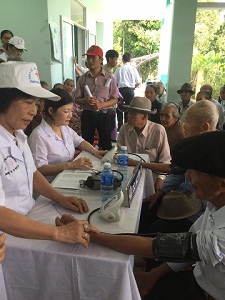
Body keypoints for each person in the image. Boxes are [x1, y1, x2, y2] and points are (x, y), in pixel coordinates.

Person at [82, 130, 225, 300]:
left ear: (222, 185)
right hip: (198, 282)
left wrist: (91, 234)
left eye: (195, 171)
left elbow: (154, 247)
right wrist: (153, 275)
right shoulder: (214, 204)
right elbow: (190, 246)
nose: (187, 176)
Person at [0, 61, 99, 251]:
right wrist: (58, 233)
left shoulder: (18, 135)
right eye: (28, 103)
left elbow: (33, 173)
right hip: (9, 233)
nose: (34, 111)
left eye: (36, 104)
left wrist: (60, 198)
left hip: (29, 213)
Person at [28, 88, 107, 183]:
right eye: (66, 111)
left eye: (71, 111)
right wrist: (71, 165)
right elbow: (40, 169)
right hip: (52, 184)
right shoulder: (39, 136)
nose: (70, 115)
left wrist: (94, 151)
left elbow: (79, 141)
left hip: (67, 178)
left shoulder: (64, 128)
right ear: (51, 111)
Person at [117, 96, 171, 192]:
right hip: (128, 175)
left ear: (145, 117)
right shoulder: (124, 129)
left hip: (150, 177)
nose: (129, 116)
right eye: (129, 112)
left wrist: (160, 179)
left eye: (134, 114)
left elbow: (166, 160)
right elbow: (119, 155)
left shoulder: (158, 131)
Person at [75, 45, 118, 150]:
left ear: (101, 60)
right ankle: (88, 164)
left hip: (104, 115)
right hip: (87, 115)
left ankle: (105, 164)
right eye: (88, 57)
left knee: (106, 145)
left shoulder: (110, 78)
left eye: (93, 58)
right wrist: (85, 100)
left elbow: (115, 98)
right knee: (86, 143)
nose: (90, 60)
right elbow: (77, 99)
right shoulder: (82, 79)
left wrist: (102, 104)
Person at [114, 52, 141, 129]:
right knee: (129, 109)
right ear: (130, 60)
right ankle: (127, 126)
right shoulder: (133, 69)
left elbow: (114, 83)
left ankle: (120, 126)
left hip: (120, 91)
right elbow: (138, 82)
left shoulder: (119, 70)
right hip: (130, 91)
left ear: (122, 60)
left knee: (119, 108)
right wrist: (132, 87)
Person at [103, 49, 119, 142]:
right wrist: (111, 105)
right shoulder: (106, 73)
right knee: (108, 126)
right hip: (108, 105)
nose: (116, 62)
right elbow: (106, 91)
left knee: (111, 125)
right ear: (109, 59)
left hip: (110, 103)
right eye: (115, 59)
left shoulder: (110, 71)